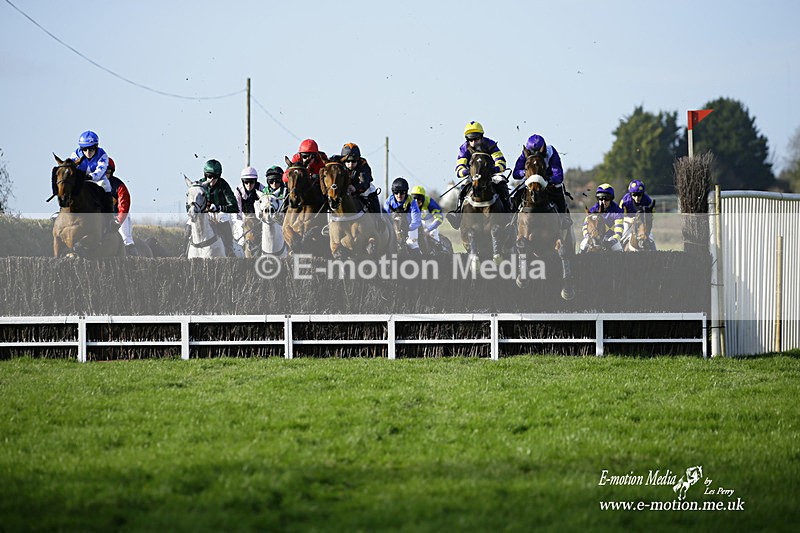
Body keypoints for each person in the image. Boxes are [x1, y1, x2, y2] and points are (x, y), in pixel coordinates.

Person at [447, 121, 509, 228]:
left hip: (490, 174)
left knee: (502, 183)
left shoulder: (490, 144)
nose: (474, 142)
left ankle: (509, 212)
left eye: (476, 139)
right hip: (473, 176)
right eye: (471, 140)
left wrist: (494, 169)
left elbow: (502, 162)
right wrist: (467, 172)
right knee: (463, 189)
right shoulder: (464, 148)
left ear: (481, 137)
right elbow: (459, 168)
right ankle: (458, 214)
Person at [53, 130, 114, 213]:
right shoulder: (75, 154)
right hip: (81, 178)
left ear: (96, 147)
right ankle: (62, 210)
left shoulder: (102, 155)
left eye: (91, 149)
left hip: (98, 179)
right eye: (84, 149)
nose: (88, 152)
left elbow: (101, 170)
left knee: (106, 185)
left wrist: (91, 176)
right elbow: (72, 167)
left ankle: (109, 216)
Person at [198, 159, 238, 257]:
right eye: (209, 176)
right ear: (205, 175)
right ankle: (184, 252)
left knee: (223, 220)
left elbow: (234, 207)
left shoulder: (223, 185)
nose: (212, 179)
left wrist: (219, 207)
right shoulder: (199, 185)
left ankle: (229, 249)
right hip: (203, 216)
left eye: (215, 177)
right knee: (188, 226)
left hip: (218, 217)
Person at [105, 158, 138, 256]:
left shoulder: (118, 185)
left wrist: (119, 220)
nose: (106, 173)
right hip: (101, 217)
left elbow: (124, 205)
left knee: (125, 238)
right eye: (104, 171)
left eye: (109, 171)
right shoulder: (93, 184)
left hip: (118, 215)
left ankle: (134, 259)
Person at [580, 183, 624, 252]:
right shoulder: (592, 210)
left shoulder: (617, 211)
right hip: (595, 239)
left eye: (606, 199)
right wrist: (587, 236)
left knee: (617, 247)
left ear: (611, 199)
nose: (603, 202)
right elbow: (585, 227)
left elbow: (619, 228)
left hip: (610, 239)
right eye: (600, 199)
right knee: (583, 244)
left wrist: (615, 239)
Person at [383, 177, 422, 253]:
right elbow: (385, 218)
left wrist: (408, 228)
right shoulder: (389, 201)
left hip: (409, 228)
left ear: (406, 192)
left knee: (412, 244)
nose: (399, 195)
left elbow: (416, 221)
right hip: (393, 228)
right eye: (396, 192)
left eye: (402, 193)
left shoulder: (412, 202)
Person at [340, 142, 381, 213]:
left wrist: (355, 188)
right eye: (348, 161)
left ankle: (379, 219)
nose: (350, 164)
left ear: (357, 160)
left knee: (373, 198)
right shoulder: (339, 165)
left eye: (353, 161)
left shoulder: (363, 165)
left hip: (364, 190)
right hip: (346, 190)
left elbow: (364, 183)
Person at [620, 179, 656, 248]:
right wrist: (629, 220)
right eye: (634, 195)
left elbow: (652, 214)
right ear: (630, 194)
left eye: (639, 195)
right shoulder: (624, 201)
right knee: (624, 235)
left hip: (642, 222)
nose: (637, 198)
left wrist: (645, 221)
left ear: (643, 194)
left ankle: (655, 252)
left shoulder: (647, 200)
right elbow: (619, 216)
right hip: (628, 221)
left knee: (651, 238)